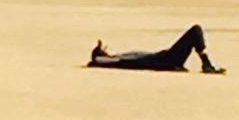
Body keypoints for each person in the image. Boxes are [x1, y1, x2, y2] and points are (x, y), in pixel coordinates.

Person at [88, 25, 223, 73]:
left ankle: (207, 63)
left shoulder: (119, 56)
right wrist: (97, 59)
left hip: (164, 58)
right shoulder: (118, 60)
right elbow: (99, 61)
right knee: (196, 30)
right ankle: (206, 63)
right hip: (165, 60)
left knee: (196, 31)